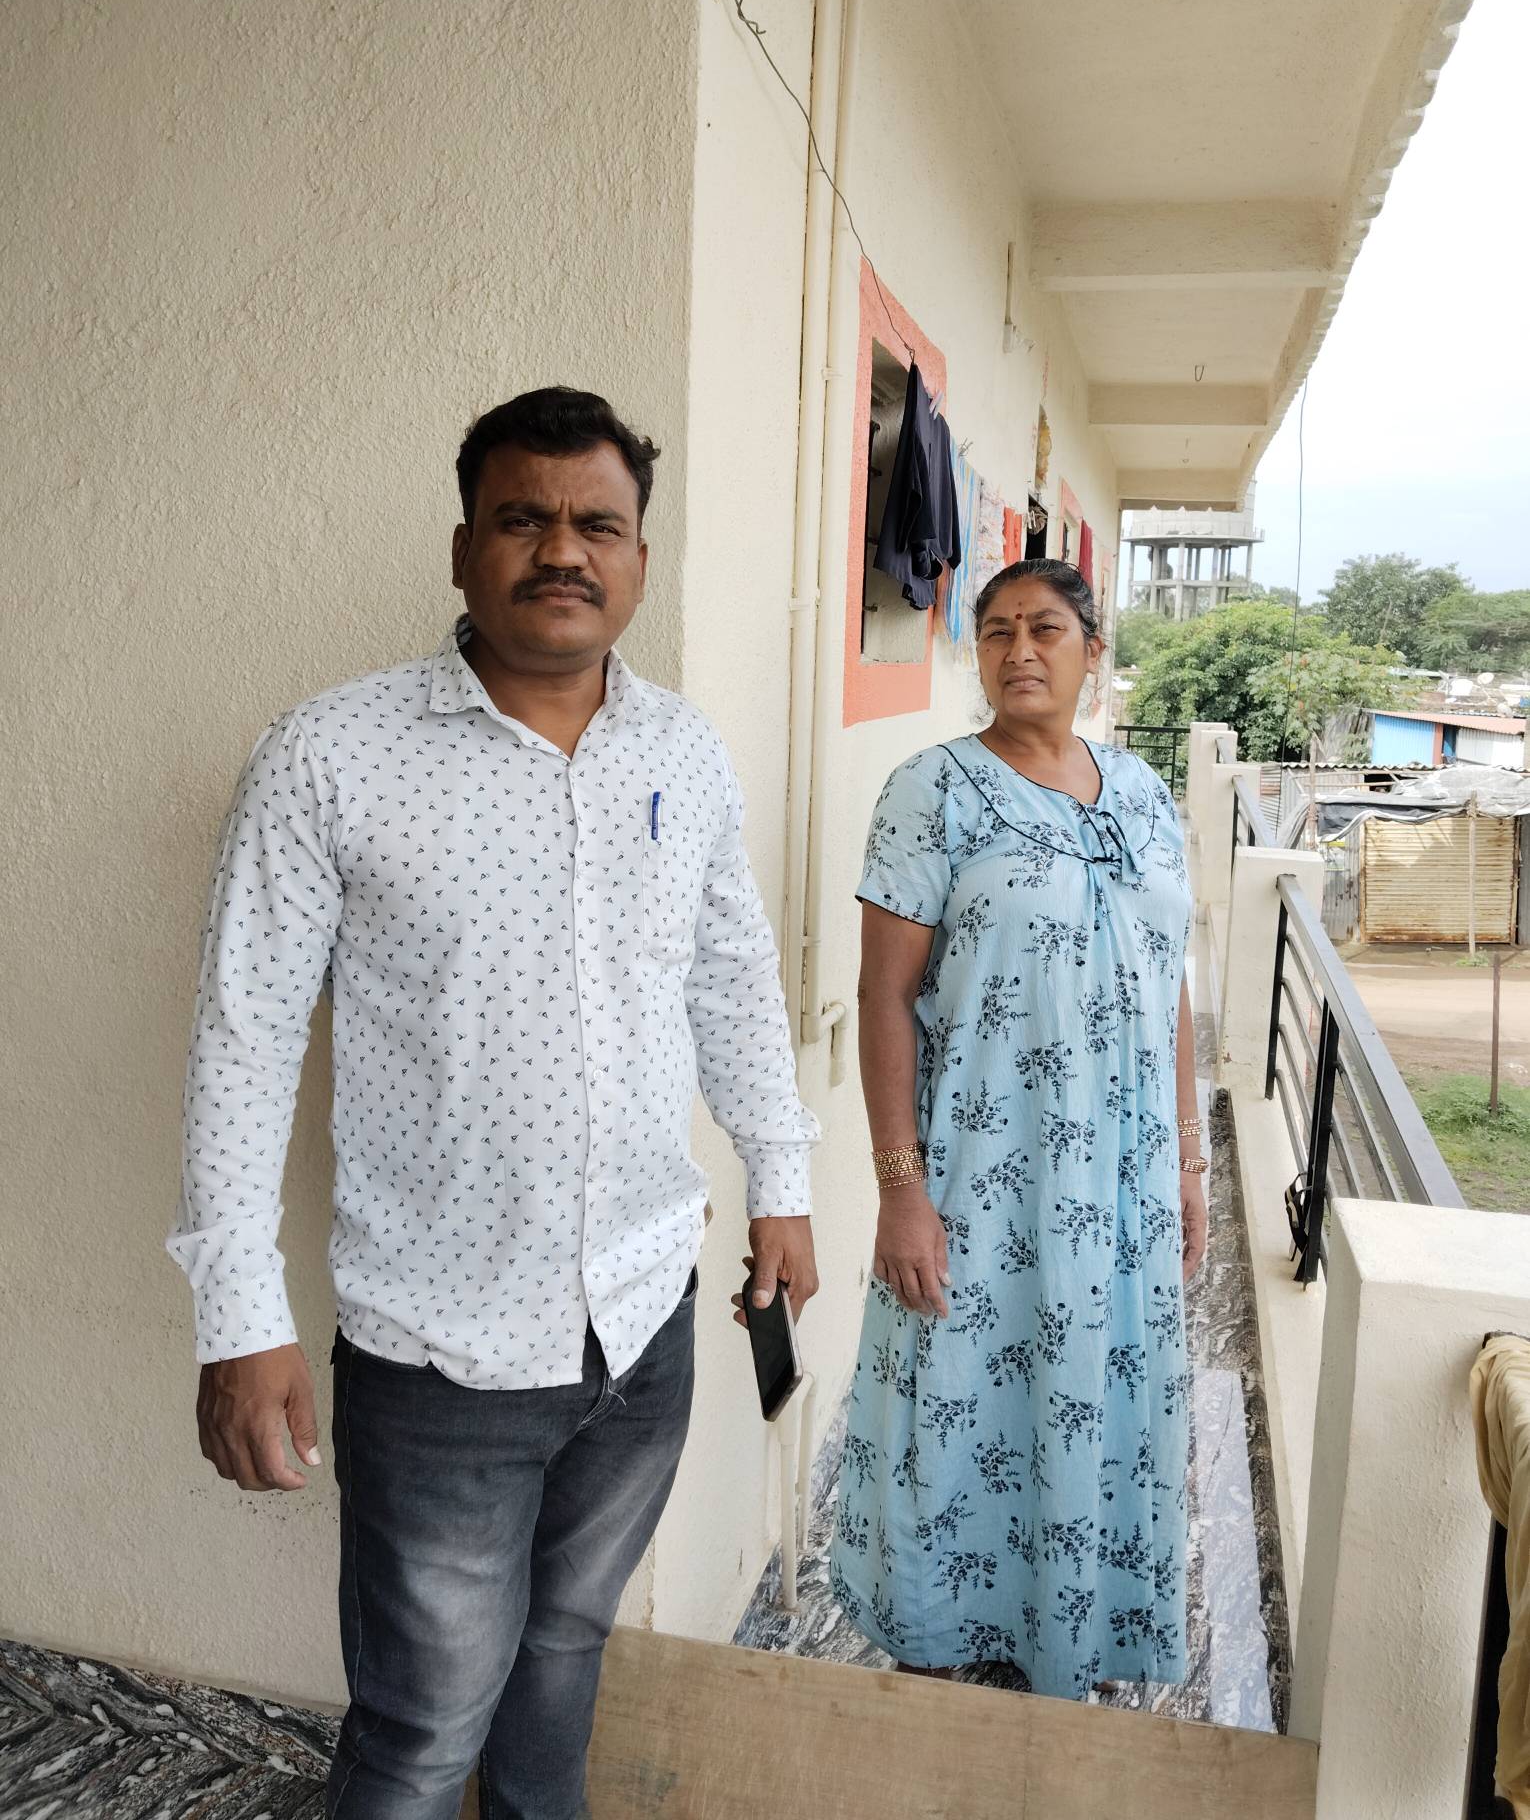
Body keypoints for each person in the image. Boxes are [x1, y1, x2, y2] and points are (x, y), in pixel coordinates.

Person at [169, 387, 819, 1820]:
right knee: (420, 1731)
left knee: (565, 1657)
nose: (562, 550)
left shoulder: (683, 753)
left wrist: (781, 1180)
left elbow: (729, 979)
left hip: (644, 1324)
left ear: (639, 557)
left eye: (598, 524)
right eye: (523, 519)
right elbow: (243, 1039)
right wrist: (239, 1315)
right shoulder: (331, 756)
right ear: (464, 548)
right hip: (439, 1349)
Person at [828, 558, 1206, 1698]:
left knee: (1107, 1394)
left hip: (1128, 1180)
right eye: (995, 631)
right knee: (964, 1399)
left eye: (1046, 628)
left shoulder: (1145, 793)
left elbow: (1172, 987)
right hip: (986, 1177)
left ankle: (1077, 1640)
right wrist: (900, 1188)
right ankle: (953, 1647)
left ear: (1094, 649)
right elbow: (884, 996)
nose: (1019, 650)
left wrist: (1189, 1165)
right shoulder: (933, 791)